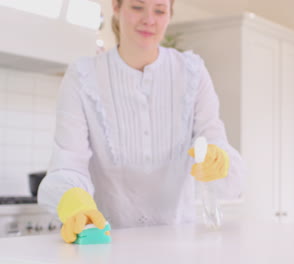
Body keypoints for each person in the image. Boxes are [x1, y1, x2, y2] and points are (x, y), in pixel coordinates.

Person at [38, 0, 244, 243]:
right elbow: (67, 162)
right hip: (106, 242)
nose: (149, 19)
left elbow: (215, 140)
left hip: (181, 243)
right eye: (137, 7)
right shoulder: (83, 76)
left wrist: (219, 159)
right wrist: (75, 203)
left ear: (170, 13)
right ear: (116, 6)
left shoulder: (192, 73)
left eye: (159, 10)